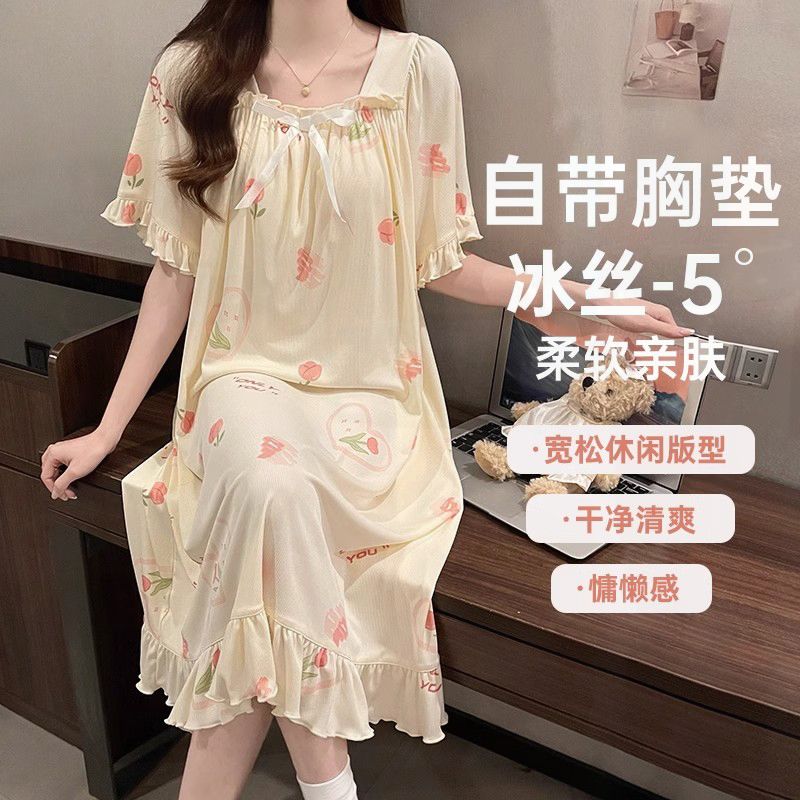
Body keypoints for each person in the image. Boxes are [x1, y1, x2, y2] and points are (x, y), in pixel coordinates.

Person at [40, 2, 691, 798]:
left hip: (376, 393)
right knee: (270, 488)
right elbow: (177, 269)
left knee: (259, 575)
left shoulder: (418, 73)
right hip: (242, 381)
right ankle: (331, 782)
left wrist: (579, 301)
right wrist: (109, 429)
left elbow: (438, 258)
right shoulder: (190, 73)